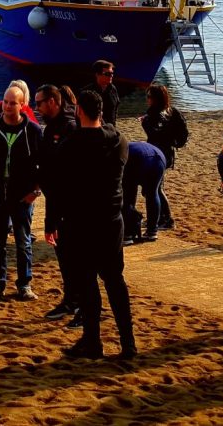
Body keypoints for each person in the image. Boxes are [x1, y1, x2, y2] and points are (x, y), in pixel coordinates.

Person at [54, 90, 135, 359]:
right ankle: (128, 342)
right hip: (111, 218)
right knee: (115, 280)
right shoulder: (119, 140)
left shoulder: (70, 144)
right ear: (100, 111)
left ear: (78, 111)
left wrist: (53, 220)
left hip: (81, 221)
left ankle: (93, 340)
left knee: (88, 282)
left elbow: (59, 188)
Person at [0, 85, 42, 301]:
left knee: (23, 242)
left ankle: (24, 285)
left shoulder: (33, 131)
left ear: (23, 105)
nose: (8, 106)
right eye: (5, 101)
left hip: (22, 197)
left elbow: (45, 164)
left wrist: (35, 191)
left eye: (13, 103)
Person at [34, 83, 78, 321]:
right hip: (58, 202)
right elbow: (47, 167)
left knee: (72, 257)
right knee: (66, 257)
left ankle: (75, 302)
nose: (37, 107)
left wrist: (52, 220)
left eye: (40, 103)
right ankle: (73, 300)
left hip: (68, 206)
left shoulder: (68, 127)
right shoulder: (52, 127)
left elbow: (61, 174)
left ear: (53, 101)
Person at [140, 83, 187, 231]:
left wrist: (145, 123)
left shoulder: (154, 115)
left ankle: (166, 219)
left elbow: (155, 134)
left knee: (154, 188)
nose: (147, 99)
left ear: (155, 98)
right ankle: (158, 217)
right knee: (155, 187)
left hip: (157, 155)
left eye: (149, 96)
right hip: (167, 153)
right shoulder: (172, 111)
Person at [122, 141, 168, 243]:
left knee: (128, 196)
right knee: (153, 193)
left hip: (140, 159)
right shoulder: (128, 146)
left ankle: (128, 233)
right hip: (159, 157)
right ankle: (152, 231)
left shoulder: (121, 151)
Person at [81, 60, 121, 125]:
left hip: (111, 129)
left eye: (112, 73)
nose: (111, 76)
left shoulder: (113, 89)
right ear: (97, 75)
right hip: (94, 130)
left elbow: (116, 107)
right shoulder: (87, 91)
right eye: (107, 74)